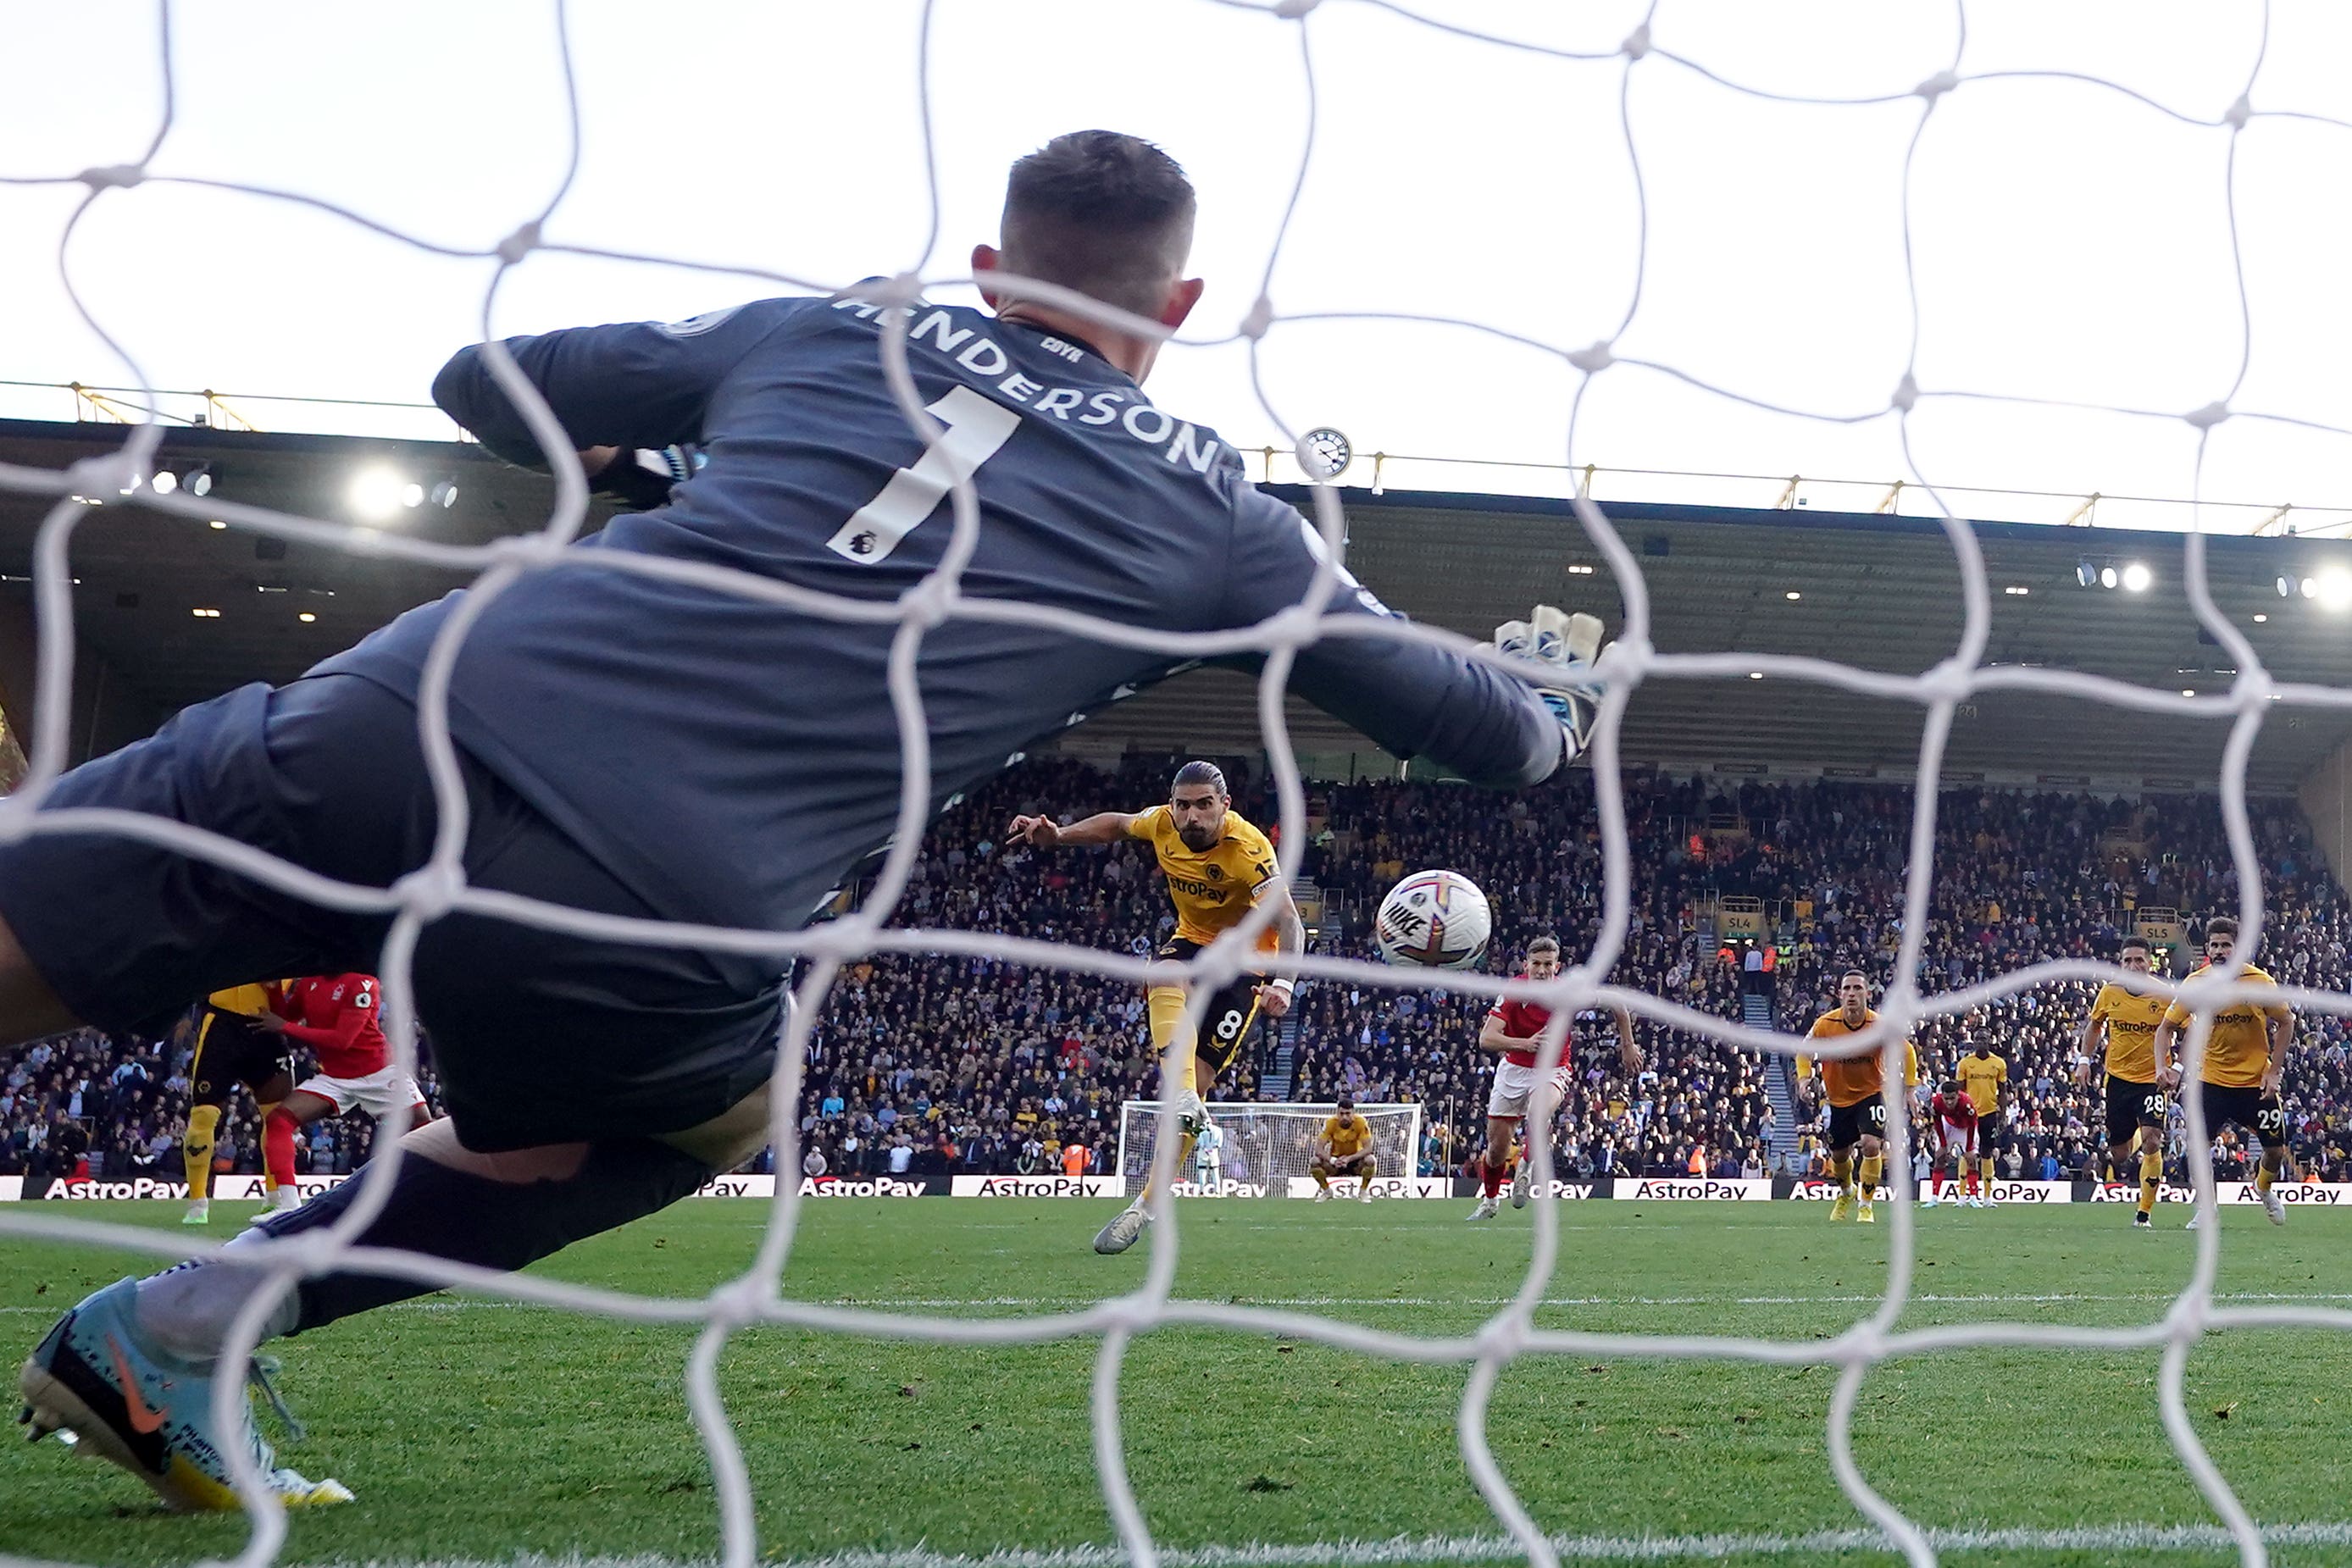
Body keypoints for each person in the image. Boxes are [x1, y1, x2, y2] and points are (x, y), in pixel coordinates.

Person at [12, 130, 1597, 1512]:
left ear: (989, 265)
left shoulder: (839, 329)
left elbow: (485, 385)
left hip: (396, 708)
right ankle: (173, 1334)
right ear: (1180, 308)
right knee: (690, 1126)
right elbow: (1486, 738)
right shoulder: (1222, 519)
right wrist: (1560, 701)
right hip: (652, 878)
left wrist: (674, 462)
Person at [1009, 760, 1303, 1252]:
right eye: (1183, 805)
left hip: (1248, 963)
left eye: (1204, 806)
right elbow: (1118, 824)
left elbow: (1290, 921)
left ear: (1224, 806)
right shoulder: (1162, 823)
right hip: (1193, 941)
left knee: (1202, 1080)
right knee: (1162, 971)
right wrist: (1058, 836)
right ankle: (1183, 1098)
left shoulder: (1249, 849)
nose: (1192, 816)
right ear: (1173, 805)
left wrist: (1285, 984)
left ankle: (1144, 1206)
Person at [1469, 935, 1640, 1222]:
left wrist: (1628, 1046)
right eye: (1536, 963)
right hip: (1513, 1071)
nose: (1541, 970)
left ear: (1557, 967)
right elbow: (1486, 1039)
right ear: (1526, 965)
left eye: (1547, 964)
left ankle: (1525, 1167)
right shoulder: (1514, 991)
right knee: (1496, 1150)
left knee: (1538, 1114)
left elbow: (1618, 1004)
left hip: (1553, 1070)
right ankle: (1489, 1202)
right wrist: (1526, 1044)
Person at [2154, 916, 2294, 1227]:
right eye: (2215, 945)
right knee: (2198, 1149)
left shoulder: (2260, 982)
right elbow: (2166, 1028)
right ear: (2207, 948)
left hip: (2255, 1082)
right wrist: (2163, 1066)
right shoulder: (2195, 984)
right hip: (2211, 1080)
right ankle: (2207, 1209)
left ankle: (2263, 1187)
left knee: (2275, 1151)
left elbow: (2286, 1023)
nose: (2220, 951)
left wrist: (2274, 1071)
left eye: (2226, 945)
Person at [253, 973, 432, 1214]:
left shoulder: (363, 983)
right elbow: (286, 1016)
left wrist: (284, 1027)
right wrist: (274, 991)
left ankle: (439, 1192)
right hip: (336, 1076)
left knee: (424, 1127)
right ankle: (289, 1205)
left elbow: (343, 1040)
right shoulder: (309, 983)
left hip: (379, 1072)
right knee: (279, 1120)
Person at [1799, 970, 1917, 1224]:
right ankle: (1846, 1193)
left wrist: (1909, 1089)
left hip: (1871, 1094)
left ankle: (1866, 1205)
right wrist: (1803, 1078)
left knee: (1871, 1144)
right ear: (1840, 993)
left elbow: (1907, 1051)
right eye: (1847, 989)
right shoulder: (1825, 1024)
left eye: (1857, 988)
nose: (1852, 993)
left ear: (1868, 993)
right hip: (1838, 1100)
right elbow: (1804, 1051)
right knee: (1839, 1155)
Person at [178, 984, 297, 1227]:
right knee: (203, 1114)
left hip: (266, 1024)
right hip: (222, 1026)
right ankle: (197, 1202)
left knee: (279, 1118)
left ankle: (274, 1197)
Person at [2074, 935, 2169, 1230]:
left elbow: (2188, 1028)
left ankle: (2144, 1213)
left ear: (2150, 962)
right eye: (2127, 960)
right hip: (2117, 1080)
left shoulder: (2165, 995)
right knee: (2121, 1154)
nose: (2133, 965)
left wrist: (2176, 1067)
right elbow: (2094, 1025)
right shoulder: (2109, 992)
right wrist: (2084, 1060)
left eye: (2139, 959)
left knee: (2154, 1139)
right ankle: (2137, 1134)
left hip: (2153, 1080)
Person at [1956, 1037, 2008, 1207]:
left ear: (1989, 1042)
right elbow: (1959, 1090)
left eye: (1984, 1039)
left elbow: (2003, 1091)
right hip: (1969, 1114)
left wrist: (2003, 1114)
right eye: (1978, 1039)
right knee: (1967, 1152)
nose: (1981, 1042)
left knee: (1987, 1152)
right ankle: (1963, 1196)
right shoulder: (1965, 1063)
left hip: (1990, 1113)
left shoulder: (1998, 1063)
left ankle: (1987, 1198)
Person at [1311, 1094, 1378, 1203]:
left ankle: (1363, 1191)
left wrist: (1349, 1159)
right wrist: (1333, 1160)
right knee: (1314, 1162)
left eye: (1348, 1114)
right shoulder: (1330, 1123)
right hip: (1335, 1162)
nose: (1344, 1117)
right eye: (1341, 1114)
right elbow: (1318, 1149)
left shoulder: (1360, 1122)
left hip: (1356, 1161)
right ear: (1337, 1113)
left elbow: (1368, 1148)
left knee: (1370, 1160)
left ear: (1353, 1113)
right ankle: (1327, 1191)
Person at [1922, 1078, 1978, 1208]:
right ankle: (1934, 1198)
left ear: (1958, 1095)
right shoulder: (1936, 1102)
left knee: (1971, 1160)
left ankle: (1973, 1197)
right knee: (1940, 1158)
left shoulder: (1967, 1104)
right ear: (1942, 1096)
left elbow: (1972, 1125)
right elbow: (1937, 1122)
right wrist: (1943, 1144)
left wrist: (1969, 1148)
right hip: (1949, 1125)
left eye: (1952, 1098)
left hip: (1966, 1129)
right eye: (1946, 1098)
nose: (1949, 1102)